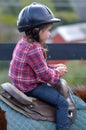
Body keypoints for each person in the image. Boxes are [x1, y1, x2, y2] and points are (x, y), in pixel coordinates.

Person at [9, 2, 69, 130]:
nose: (50, 34)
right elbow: (46, 76)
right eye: (48, 30)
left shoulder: (24, 42)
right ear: (36, 31)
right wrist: (57, 72)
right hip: (28, 87)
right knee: (62, 103)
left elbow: (37, 66)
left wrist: (53, 68)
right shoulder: (34, 49)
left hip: (19, 82)